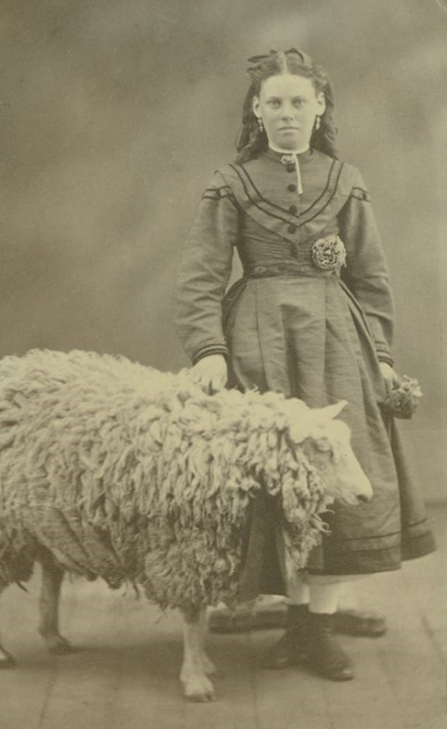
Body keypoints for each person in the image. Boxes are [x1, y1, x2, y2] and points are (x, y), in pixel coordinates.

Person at [173, 47, 435, 681]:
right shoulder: (232, 182)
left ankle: (316, 623)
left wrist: (380, 356)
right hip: (258, 340)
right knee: (270, 472)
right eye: (274, 103)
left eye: (299, 101)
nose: (287, 113)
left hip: (337, 337)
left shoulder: (345, 178)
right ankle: (289, 609)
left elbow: (370, 277)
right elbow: (201, 276)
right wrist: (209, 350)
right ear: (257, 112)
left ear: (319, 108)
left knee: (345, 467)